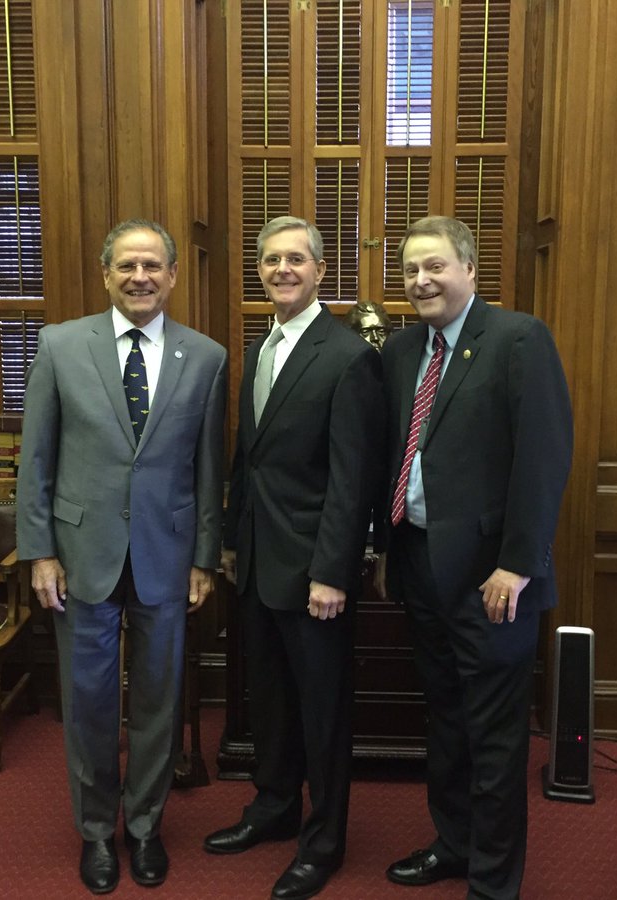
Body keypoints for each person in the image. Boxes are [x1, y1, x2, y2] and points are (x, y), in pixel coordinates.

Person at [16, 219, 227, 894]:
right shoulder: (60, 345)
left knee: (160, 701)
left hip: (168, 559)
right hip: (81, 557)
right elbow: (37, 460)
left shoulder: (207, 357)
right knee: (90, 702)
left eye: (154, 266)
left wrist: (204, 556)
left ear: (171, 276)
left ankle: (145, 828)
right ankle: (97, 832)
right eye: (128, 266)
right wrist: (39, 552)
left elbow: (207, 469)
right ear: (107, 274)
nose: (141, 277)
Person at [374, 216, 572, 899]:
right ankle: (452, 846)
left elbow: (543, 462)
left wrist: (517, 565)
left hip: (494, 579)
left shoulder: (518, 339)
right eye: (410, 271)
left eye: (435, 267)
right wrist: (387, 548)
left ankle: (493, 881)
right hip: (423, 564)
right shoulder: (403, 352)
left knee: (493, 738)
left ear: (469, 270)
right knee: (447, 722)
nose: (421, 281)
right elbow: (394, 459)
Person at [204, 215, 383, 900]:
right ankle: (274, 809)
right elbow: (247, 462)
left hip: (315, 575)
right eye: (272, 260)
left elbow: (352, 478)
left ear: (320, 270)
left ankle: (324, 839)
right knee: (271, 703)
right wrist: (227, 540)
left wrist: (333, 572)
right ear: (261, 270)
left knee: (322, 713)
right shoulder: (258, 349)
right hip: (255, 563)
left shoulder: (347, 356)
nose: (283, 269)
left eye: (296, 260)